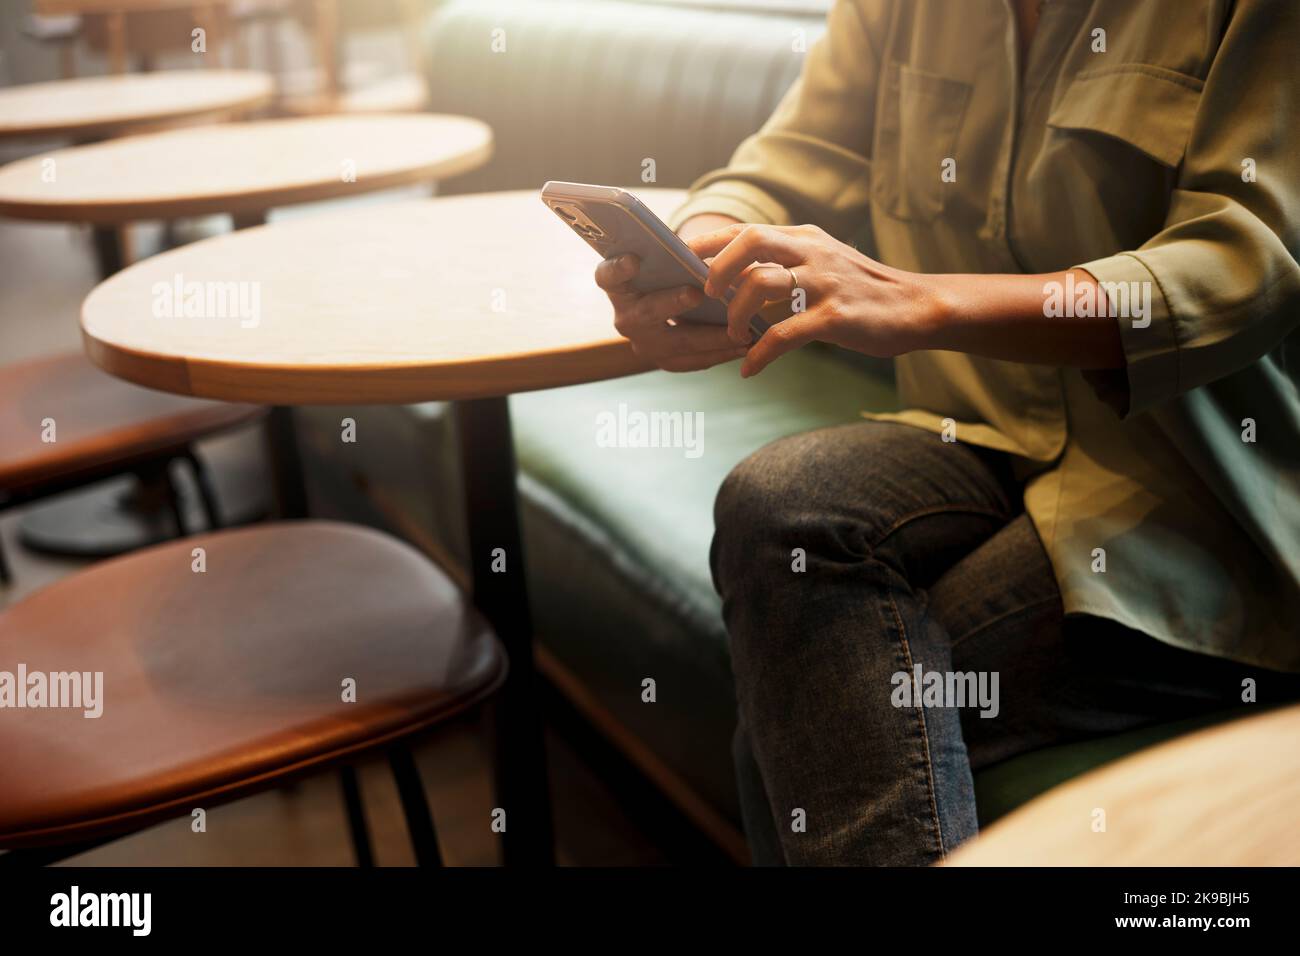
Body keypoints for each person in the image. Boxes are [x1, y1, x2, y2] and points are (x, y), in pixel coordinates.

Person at [593, 0, 1300, 865]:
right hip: (971, 428)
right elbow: (800, 156)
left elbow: (1249, 260)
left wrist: (920, 303)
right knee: (776, 502)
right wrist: (701, 247)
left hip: (1202, 488)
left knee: (811, 704)